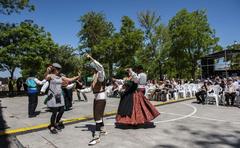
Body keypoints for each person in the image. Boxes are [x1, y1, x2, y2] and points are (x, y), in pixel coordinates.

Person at [44, 63, 80, 134]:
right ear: (53, 69)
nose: (58, 71)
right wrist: (47, 71)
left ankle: (56, 123)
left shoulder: (60, 77)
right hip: (53, 96)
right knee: (54, 112)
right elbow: (45, 78)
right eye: (57, 69)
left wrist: (77, 76)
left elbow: (69, 80)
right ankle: (52, 126)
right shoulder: (50, 76)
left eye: (59, 70)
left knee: (62, 110)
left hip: (59, 96)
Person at [85, 54, 107, 146]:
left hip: (101, 97)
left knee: (97, 117)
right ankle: (103, 130)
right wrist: (80, 90)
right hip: (96, 97)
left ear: (95, 68)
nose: (91, 70)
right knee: (98, 116)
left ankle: (97, 137)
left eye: (91, 68)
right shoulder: (94, 76)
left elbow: (101, 67)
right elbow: (90, 89)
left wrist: (91, 58)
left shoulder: (100, 74)